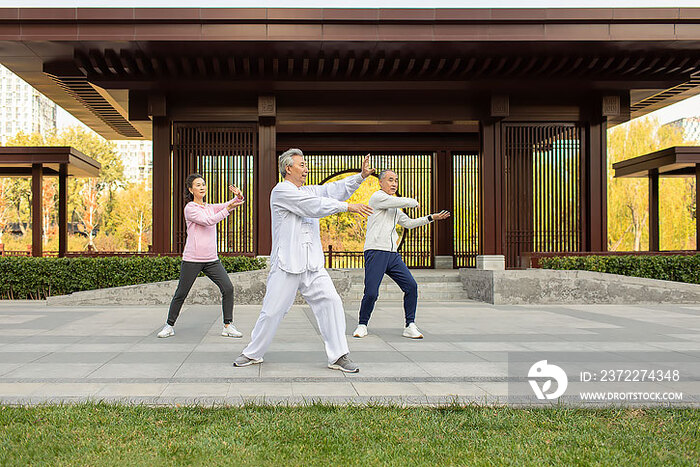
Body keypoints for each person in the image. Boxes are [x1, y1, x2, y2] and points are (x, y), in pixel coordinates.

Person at [233, 149, 374, 372]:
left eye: (306, 164)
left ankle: (339, 356)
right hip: (287, 264)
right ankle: (253, 353)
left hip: (313, 264)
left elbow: (331, 190)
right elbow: (312, 206)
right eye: (302, 165)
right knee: (272, 311)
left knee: (332, 302)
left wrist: (361, 177)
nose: (306, 168)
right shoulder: (281, 191)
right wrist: (348, 207)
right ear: (288, 168)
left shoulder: (308, 190)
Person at [353, 169, 450, 339]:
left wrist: (431, 218)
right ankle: (362, 324)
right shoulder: (378, 198)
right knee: (371, 292)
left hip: (392, 254)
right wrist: (414, 202)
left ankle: (410, 325)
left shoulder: (394, 208)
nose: (394, 184)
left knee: (411, 286)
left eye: (396, 180)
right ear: (381, 183)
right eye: (390, 180)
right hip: (376, 251)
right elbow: (405, 202)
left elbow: (409, 224)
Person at [157, 173, 245, 339]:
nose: (202, 187)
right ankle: (169, 325)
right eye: (197, 185)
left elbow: (229, 204)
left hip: (211, 260)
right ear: (191, 189)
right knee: (181, 293)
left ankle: (228, 325)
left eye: (203, 184)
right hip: (192, 259)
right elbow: (208, 221)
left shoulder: (209, 206)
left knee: (228, 288)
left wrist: (238, 197)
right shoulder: (190, 208)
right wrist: (227, 209)